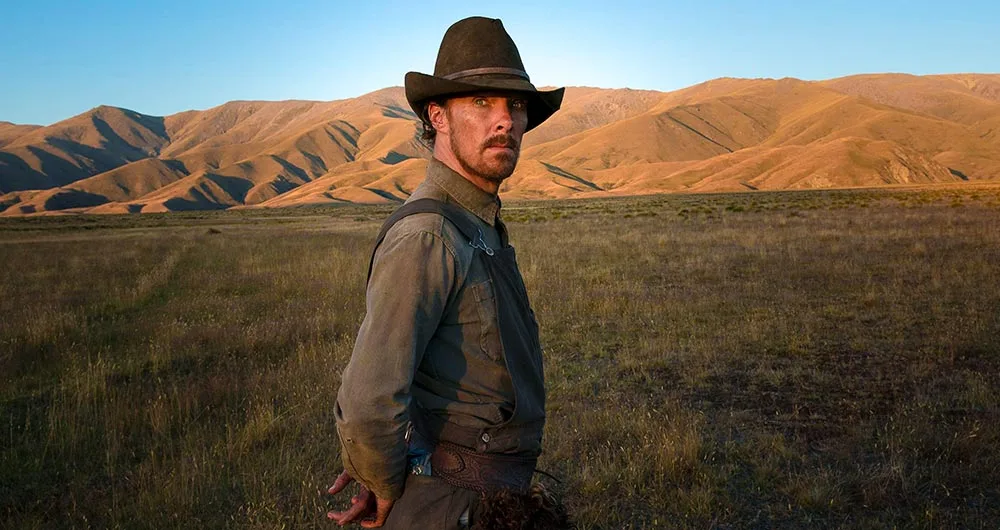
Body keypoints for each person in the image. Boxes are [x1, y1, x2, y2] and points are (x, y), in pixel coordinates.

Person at [325, 16, 565, 529]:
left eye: (515, 105)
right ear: (438, 116)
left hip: (491, 499)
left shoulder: (476, 222)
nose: (504, 121)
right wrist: (383, 482)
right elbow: (368, 402)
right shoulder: (428, 235)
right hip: (452, 508)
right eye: (481, 102)